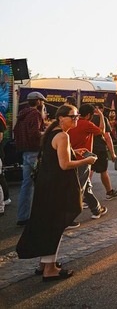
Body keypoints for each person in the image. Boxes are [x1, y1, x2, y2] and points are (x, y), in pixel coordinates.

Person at [16, 104, 97, 281]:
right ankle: (50, 269)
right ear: (61, 118)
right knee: (55, 225)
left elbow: (55, 155)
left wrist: (74, 152)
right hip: (57, 187)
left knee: (47, 223)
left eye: (77, 116)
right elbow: (64, 164)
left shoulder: (52, 133)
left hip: (46, 185)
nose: (76, 119)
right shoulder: (62, 135)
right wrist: (87, 161)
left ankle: (45, 263)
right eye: (73, 116)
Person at [68, 104, 108, 223]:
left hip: (71, 156)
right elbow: (102, 131)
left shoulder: (72, 122)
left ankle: (96, 209)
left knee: (86, 186)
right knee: (79, 187)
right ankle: (69, 218)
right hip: (83, 158)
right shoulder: (86, 124)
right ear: (89, 115)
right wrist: (101, 115)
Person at [14, 91, 47, 226]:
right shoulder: (35, 114)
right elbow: (35, 134)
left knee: (26, 185)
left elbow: (16, 132)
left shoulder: (23, 114)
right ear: (38, 101)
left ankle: (22, 217)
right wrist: (47, 132)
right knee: (41, 185)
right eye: (42, 101)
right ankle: (40, 217)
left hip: (25, 152)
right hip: (34, 152)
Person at [90, 103, 117, 200]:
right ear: (101, 110)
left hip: (88, 147)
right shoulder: (102, 119)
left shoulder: (87, 119)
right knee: (103, 171)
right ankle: (109, 191)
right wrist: (112, 153)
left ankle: (85, 194)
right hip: (100, 148)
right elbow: (107, 137)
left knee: (89, 170)